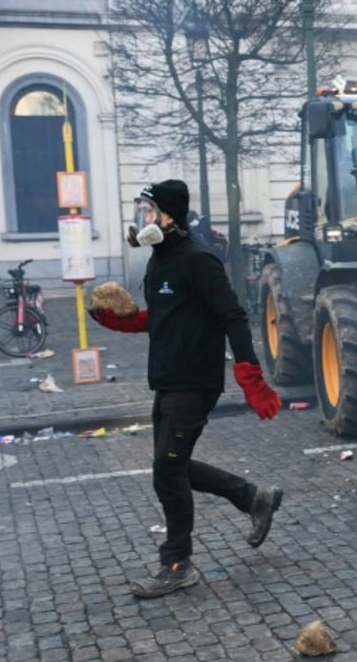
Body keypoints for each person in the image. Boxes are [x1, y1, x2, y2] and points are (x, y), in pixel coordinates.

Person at [90, 180, 285, 599]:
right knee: (171, 466)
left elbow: (233, 315)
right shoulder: (158, 261)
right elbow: (165, 315)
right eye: (141, 209)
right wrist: (123, 322)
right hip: (167, 379)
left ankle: (176, 563)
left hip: (195, 382)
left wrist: (250, 374)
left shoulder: (200, 261)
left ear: (169, 216)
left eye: (149, 210)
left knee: (167, 470)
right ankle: (254, 497)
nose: (142, 217)